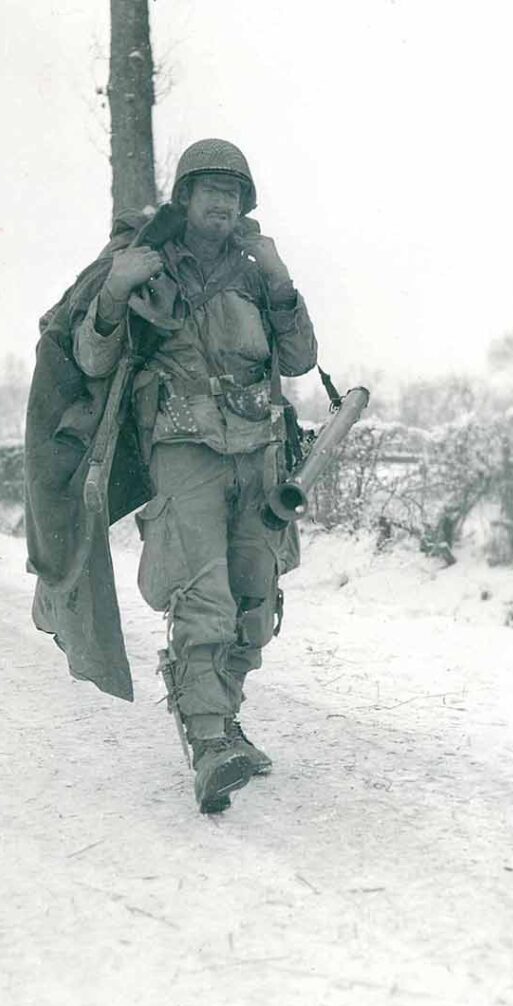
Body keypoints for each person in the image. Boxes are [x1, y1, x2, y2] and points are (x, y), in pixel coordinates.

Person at [71, 138, 318, 813]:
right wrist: (116, 291)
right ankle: (208, 742)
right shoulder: (148, 265)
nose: (222, 203)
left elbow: (298, 360)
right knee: (203, 598)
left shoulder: (254, 271)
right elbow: (92, 359)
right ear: (185, 198)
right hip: (183, 453)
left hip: (257, 454)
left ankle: (225, 716)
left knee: (254, 602)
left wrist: (281, 280)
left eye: (233, 193)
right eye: (210, 191)